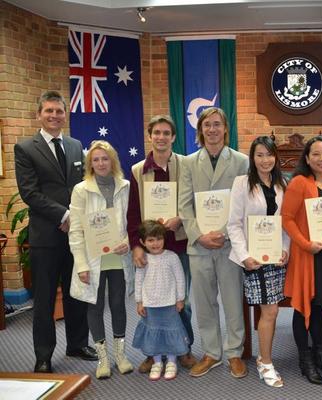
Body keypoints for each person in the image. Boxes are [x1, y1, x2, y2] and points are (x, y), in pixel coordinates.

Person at [14, 90, 97, 373]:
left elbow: (83, 185)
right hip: (46, 238)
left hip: (75, 236)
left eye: (59, 111)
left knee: (76, 293)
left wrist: (77, 217)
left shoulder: (75, 145)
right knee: (45, 299)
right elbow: (29, 193)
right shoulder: (25, 149)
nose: (54, 115)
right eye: (48, 111)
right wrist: (64, 215)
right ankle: (43, 355)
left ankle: (77, 344)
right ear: (39, 114)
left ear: (65, 114)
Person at [178, 107, 249, 379]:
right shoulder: (187, 162)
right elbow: (184, 204)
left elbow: (243, 204)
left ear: (225, 129)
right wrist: (199, 235)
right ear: (200, 130)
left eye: (217, 125)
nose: (212, 130)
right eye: (207, 125)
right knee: (205, 302)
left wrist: (223, 234)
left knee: (232, 300)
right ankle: (211, 352)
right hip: (199, 244)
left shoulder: (241, 161)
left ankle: (234, 352)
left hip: (229, 243)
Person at [126, 115, 196, 373]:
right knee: (151, 302)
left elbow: (194, 202)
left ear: (174, 137)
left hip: (179, 245)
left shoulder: (186, 165)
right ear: (150, 135)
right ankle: (152, 351)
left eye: (167, 133)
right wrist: (136, 245)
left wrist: (181, 218)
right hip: (150, 248)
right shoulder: (137, 171)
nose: (162, 137)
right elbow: (132, 213)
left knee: (182, 301)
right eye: (157, 132)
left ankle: (184, 349)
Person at [281, 136, 322, 385]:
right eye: (316, 154)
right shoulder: (299, 183)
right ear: (307, 159)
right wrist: (307, 245)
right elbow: (286, 219)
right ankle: (305, 360)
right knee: (302, 307)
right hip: (307, 255)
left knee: (319, 306)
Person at [227, 136, 290, 388]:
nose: (265, 160)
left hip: (275, 258)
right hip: (252, 258)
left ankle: (265, 358)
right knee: (271, 310)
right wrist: (244, 256)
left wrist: (285, 248)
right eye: (260, 155)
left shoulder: (282, 184)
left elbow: (285, 222)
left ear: (276, 157)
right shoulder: (242, 183)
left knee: (270, 311)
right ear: (252, 158)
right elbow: (233, 224)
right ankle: (265, 362)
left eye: (269, 154)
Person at [68, 140, 133, 379]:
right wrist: (82, 264)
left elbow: (131, 220)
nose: (101, 163)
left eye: (105, 158)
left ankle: (121, 355)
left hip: (118, 256)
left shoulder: (125, 186)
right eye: (95, 160)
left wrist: (127, 240)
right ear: (90, 164)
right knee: (94, 307)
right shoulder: (81, 189)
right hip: (93, 257)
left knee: (118, 305)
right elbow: (75, 230)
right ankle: (103, 358)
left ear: (112, 160)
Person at [132, 220, 189, 381]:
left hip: (170, 304)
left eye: (159, 239)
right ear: (143, 242)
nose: (155, 243)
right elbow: (138, 280)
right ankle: (157, 362)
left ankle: (171, 361)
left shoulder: (172, 257)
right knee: (154, 333)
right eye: (150, 240)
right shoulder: (143, 259)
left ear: (164, 239)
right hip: (150, 305)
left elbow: (180, 279)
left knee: (171, 331)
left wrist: (180, 299)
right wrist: (139, 301)